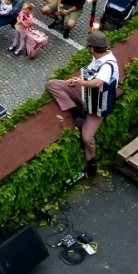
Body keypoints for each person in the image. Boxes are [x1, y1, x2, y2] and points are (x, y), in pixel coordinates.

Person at [47, 31, 119, 177]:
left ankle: (91, 161)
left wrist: (82, 83)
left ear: (92, 48)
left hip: (98, 105)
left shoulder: (107, 65)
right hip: (86, 95)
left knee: (87, 137)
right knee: (52, 84)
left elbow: (98, 82)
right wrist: (76, 80)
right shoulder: (98, 58)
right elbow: (89, 72)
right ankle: (75, 111)